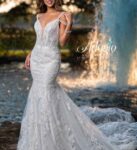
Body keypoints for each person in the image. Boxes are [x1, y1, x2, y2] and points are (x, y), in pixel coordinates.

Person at [17, 0, 117, 149]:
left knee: (46, 90)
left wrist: (69, 24)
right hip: (37, 58)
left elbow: (62, 42)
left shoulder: (63, 15)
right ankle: (38, 138)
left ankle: (52, 139)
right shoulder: (39, 16)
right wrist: (30, 54)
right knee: (38, 93)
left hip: (51, 60)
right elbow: (39, 40)